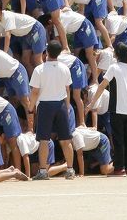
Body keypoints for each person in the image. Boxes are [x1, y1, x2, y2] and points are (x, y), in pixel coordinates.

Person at [28, 40, 77, 180]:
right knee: (65, 139)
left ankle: (43, 171)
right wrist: (67, 106)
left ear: (46, 52)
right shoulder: (64, 68)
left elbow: (35, 91)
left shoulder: (39, 69)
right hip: (61, 104)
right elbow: (68, 89)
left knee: (43, 139)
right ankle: (70, 169)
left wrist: (31, 107)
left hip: (45, 105)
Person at [87, 42, 127, 177]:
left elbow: (102, 85)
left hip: (117, 109)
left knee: (118, 139)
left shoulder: (113, 67)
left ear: (118, 54)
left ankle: (119, 168)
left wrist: (92, 103)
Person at [0, 0, 47, 74]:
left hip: (35, 29)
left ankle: (46, 82)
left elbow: (8, 36)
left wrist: (4, 54)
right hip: (25, 35)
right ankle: (35, 83)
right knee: (25, 60)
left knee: (37, 59)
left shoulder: (7, 16)